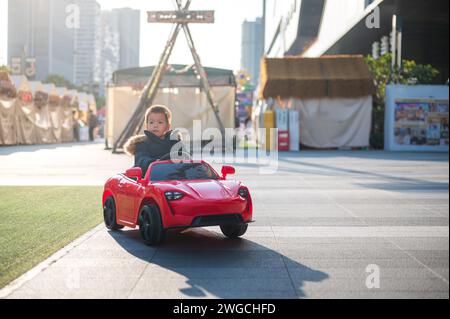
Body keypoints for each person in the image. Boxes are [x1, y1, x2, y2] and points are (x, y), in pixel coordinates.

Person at [124, 105, 183, 177]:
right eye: (151, 122)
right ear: (146, 125)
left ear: (168, 126)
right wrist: (159, 162)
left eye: (160, 122)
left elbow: (185, 158)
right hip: (150, 180)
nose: (155, 125)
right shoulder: (142, 144)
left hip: (175, 179)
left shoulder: (175, 142)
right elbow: (141, 162)